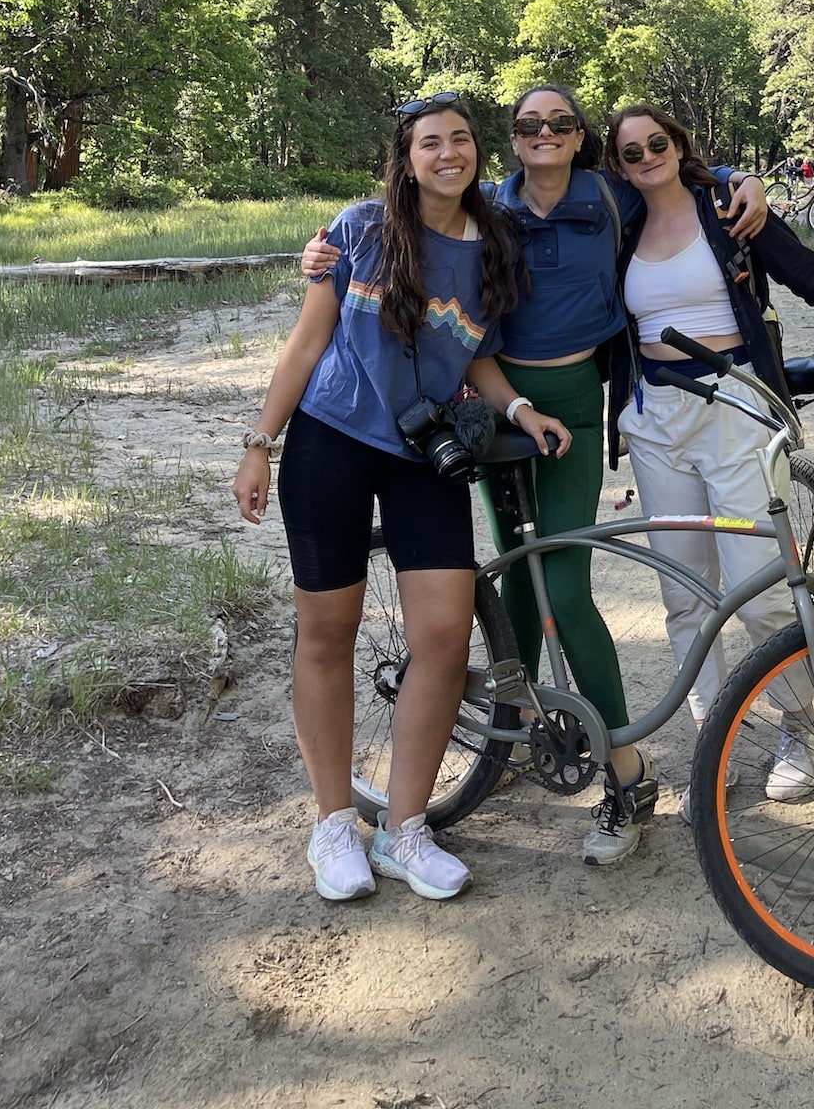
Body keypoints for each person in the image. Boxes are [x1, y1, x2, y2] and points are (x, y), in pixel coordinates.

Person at [300, 85, 769, 865]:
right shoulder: (489, 203)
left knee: (568, 584)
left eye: (559, 123)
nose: (543, 133)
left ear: (579, 135)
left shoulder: (611, 193)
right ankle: (514, 734)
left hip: (574, 405)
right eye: (527, 125)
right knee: (516, 580)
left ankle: (625, 775)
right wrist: (322, 254)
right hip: (490, 406)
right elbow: (401, 211)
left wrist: (737, 181)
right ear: (511, 141)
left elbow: (672, 172)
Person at [233, 93, 572, 904]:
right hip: (330, 444)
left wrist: (522, 410)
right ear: (407, 156)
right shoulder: (360, 229)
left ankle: (406, 829)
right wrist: (259, 443)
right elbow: (309, 340)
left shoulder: (493, 244)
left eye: (461, 140)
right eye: (431, 142)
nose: (448, 153)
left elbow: (479, 358)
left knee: (446, 636)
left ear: (477, 154)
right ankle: (332, 825)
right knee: (327, 631)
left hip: (426, 452)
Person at [603, 102, 814, 812]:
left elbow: (812, 276)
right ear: (618, 165)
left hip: (734, 406)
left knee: (760, 591)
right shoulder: (618, 226)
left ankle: (799, 726)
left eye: (656, 144)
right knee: (683, 591)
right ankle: (715, 732)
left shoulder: (728, 212)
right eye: (631, 153)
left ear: (679, 144)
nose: (646, 159)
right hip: (655, 419)